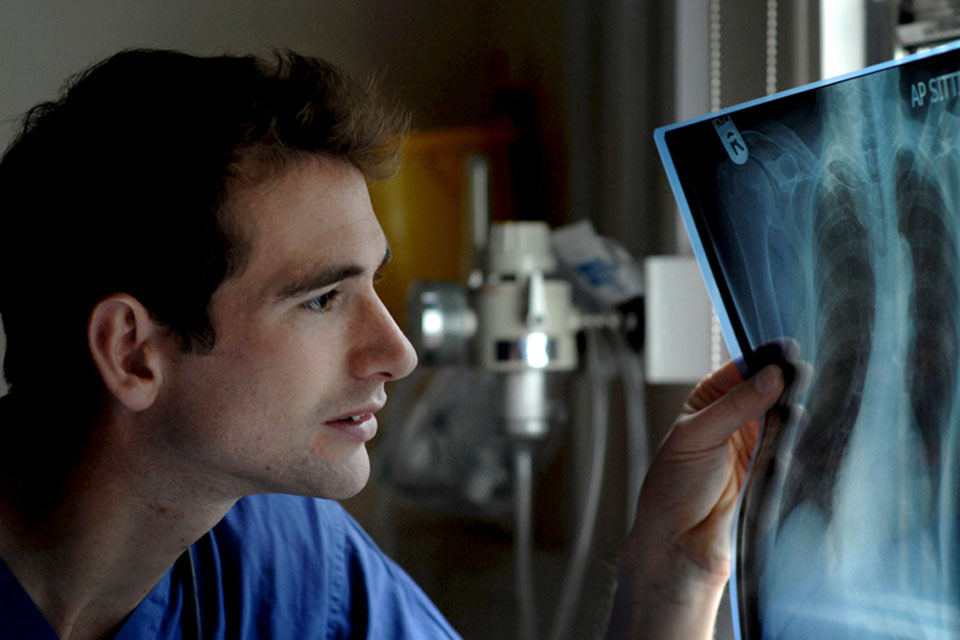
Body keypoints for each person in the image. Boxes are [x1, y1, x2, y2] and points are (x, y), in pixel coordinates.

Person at [0, 48, 784, 640]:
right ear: (134, 353)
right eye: (323, 298)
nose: (398, 352)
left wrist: (672, 575)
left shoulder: (288, 558)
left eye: (374, 285)